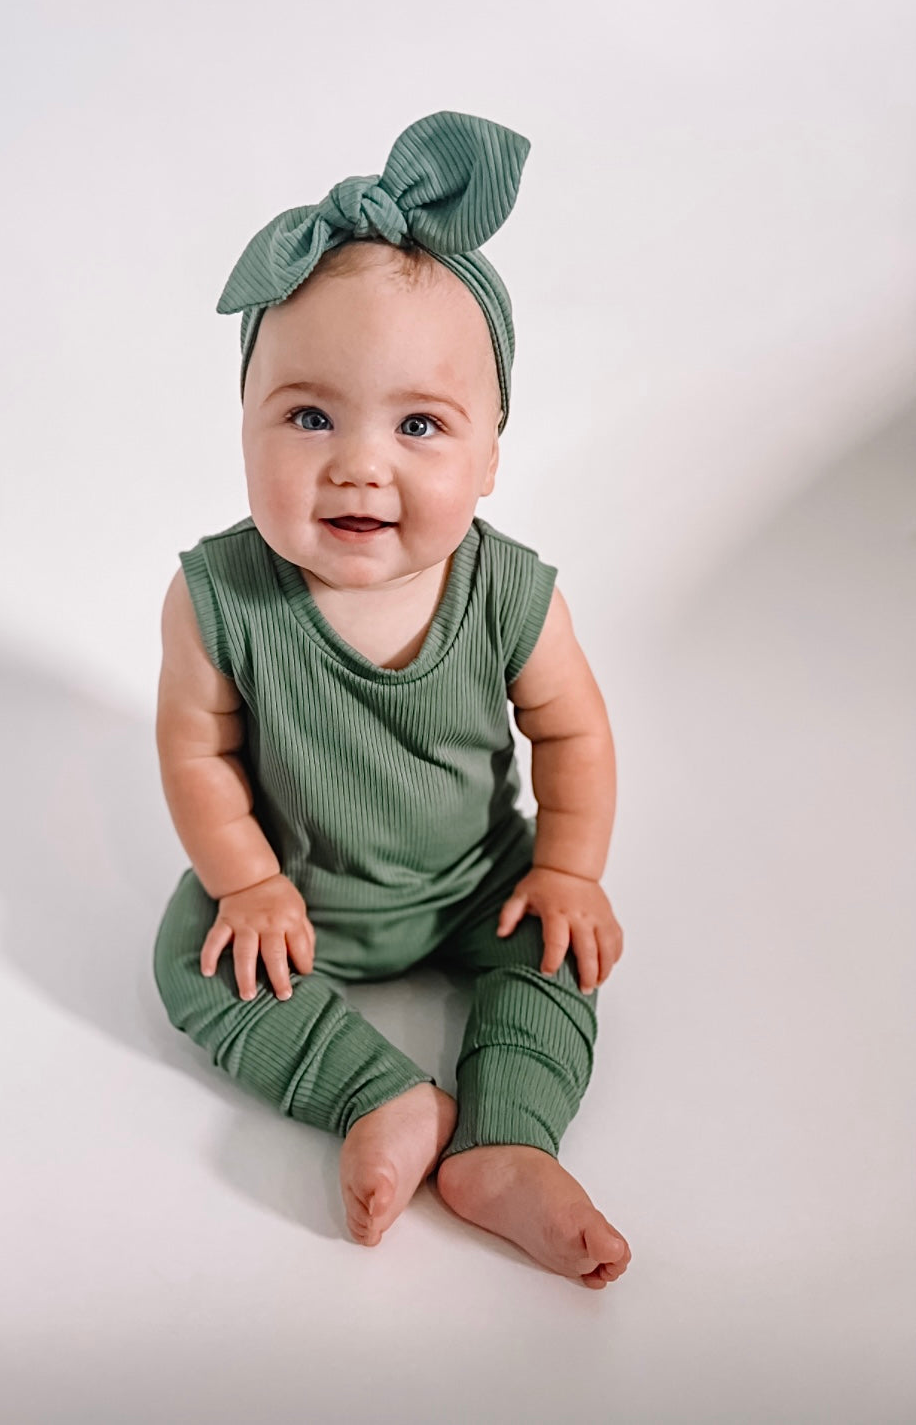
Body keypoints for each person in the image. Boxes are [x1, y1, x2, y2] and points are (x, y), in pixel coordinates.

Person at [152, 111, 631, 1288]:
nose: (360, 464)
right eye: (310, 416)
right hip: (292, 895)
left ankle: (506, 1139)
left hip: (478, 883)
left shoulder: (510, 594)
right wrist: (247, 882)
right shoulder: (218, 596)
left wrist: (565, 869)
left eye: (419, 424)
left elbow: (573, 732)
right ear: (246, 426)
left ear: (491, 455)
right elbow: (196, 752)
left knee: (562, 954)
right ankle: (383, 1094)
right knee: (183, 962)